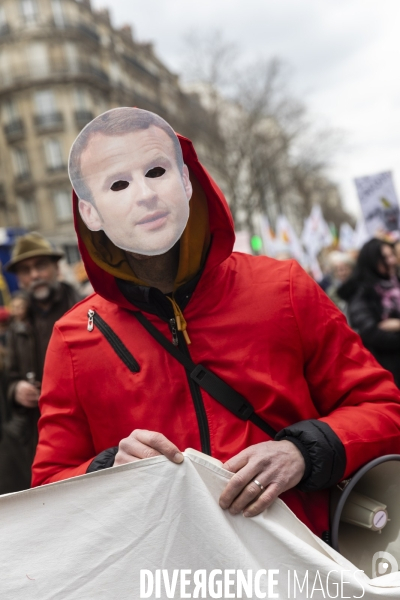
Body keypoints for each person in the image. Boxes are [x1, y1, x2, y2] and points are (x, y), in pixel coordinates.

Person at [32, 108, 400, 538]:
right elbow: (47, 490)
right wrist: (107, 470)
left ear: (186, 182)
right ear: (90, 213)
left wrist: (303, 452)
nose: (145, 194)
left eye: (156, 171)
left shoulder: (284, 287)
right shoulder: (74, 337)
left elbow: (385, 409)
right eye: (118, 184)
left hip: (308, 564)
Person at [0, 233, 81, 493]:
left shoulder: (84, 310)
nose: (34, 275)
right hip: (36, 436)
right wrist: (17, 390)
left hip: (81, 430)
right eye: (25, 270)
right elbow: (10, 378)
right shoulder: (18, 323)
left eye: (40, 266)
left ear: (56, 268)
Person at [338, 238, 400, 387]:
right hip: (389, 368)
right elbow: (370, 333)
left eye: (392, 255)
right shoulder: (361, 292)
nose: (392, 260)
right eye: (385, 257)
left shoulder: (396, 282)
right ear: (372, 260)